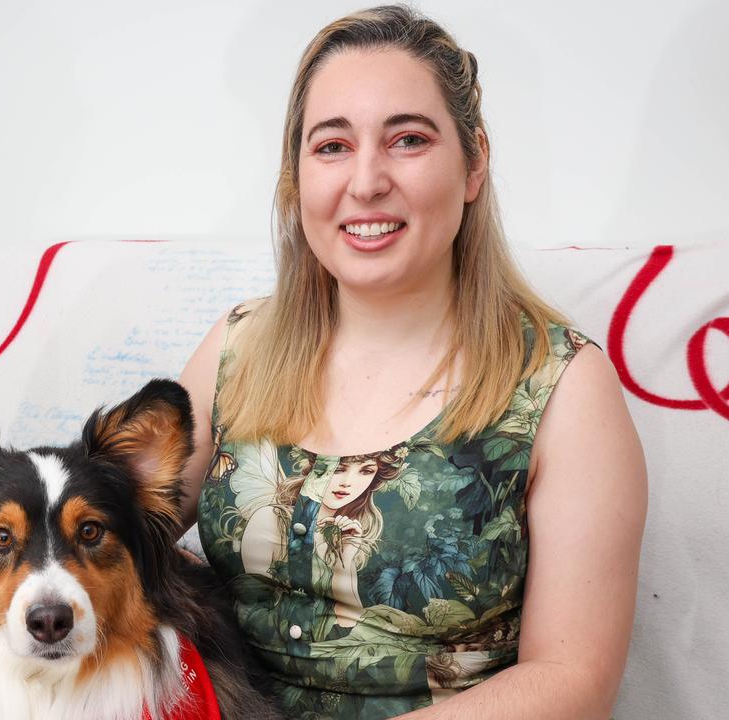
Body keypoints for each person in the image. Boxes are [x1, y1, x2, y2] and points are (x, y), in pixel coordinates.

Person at [177, 5, 646, 718]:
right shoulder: (236, 349)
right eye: (332, 146)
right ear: (296, 176)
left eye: (408, 140)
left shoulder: (564, 389)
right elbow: (104, 527)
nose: (365, 182)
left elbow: (574, 680)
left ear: (474, 164)